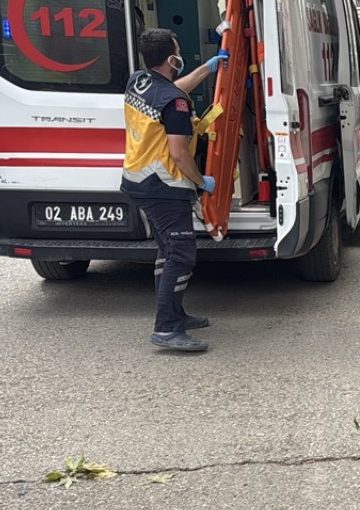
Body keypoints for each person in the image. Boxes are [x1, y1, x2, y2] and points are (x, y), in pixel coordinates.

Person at [121, 28, 227, 352]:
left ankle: (175, 313)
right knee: (181, 255)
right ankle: (167, 328)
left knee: (167, 251)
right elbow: (180, 153)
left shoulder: (139, 81)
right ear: (172, 59)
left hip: (138, 180)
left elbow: (171, 90)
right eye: (178, 50)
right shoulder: (177, 105)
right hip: (163, 186)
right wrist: (200, 182)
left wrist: (207, 69)